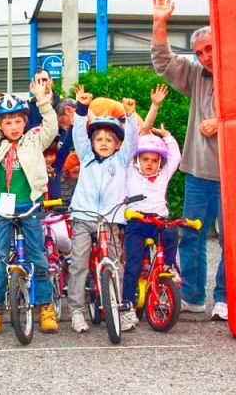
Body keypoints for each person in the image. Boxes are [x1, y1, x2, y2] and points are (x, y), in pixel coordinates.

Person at [151, 0, 226, 320]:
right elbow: (164, 62)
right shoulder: (195, 75)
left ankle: (224, 298)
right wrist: (159, 22)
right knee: (191, 236)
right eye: (199, 52)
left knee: (234, 243)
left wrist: (223, 123)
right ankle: (194, 297)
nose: (206, 56)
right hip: (198, 172)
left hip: (235, 175)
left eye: (210, 48)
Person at [0, 73, 59, 335]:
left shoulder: (33, 139)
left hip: (29, 206)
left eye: (18, 121)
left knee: (38, 257)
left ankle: (45, 306)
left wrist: (42, 102)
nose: (14, 126)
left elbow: (51, 127)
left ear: (25, 122)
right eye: (8, 122)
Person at [67, 86, 139, 333]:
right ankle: (76, 309)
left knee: (115, 264)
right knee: (78, 262)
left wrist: (130, 116)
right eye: (99, 139)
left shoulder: (120, 159)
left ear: (117, 144)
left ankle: (118, 307)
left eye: (109, 140)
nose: (104, 143)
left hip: (110, 219)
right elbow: (78, 132)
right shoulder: (85, 156)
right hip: (83, 217)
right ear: (92, 142)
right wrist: (82, 109)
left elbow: (133, 140)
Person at [121, 86, 181, 328]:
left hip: (159, 221)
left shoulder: (164, 174)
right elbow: (131, 142)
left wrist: (167, 137)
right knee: (133, 263)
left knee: (172, 232)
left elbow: (175, 157)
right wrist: (131, 117)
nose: (149, 164)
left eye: (154, 161)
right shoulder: (130, 170)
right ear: (137, 160)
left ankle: (167, 266)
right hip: (137, 221)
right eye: (145, 159)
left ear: (160, 163)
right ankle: (126, 303)